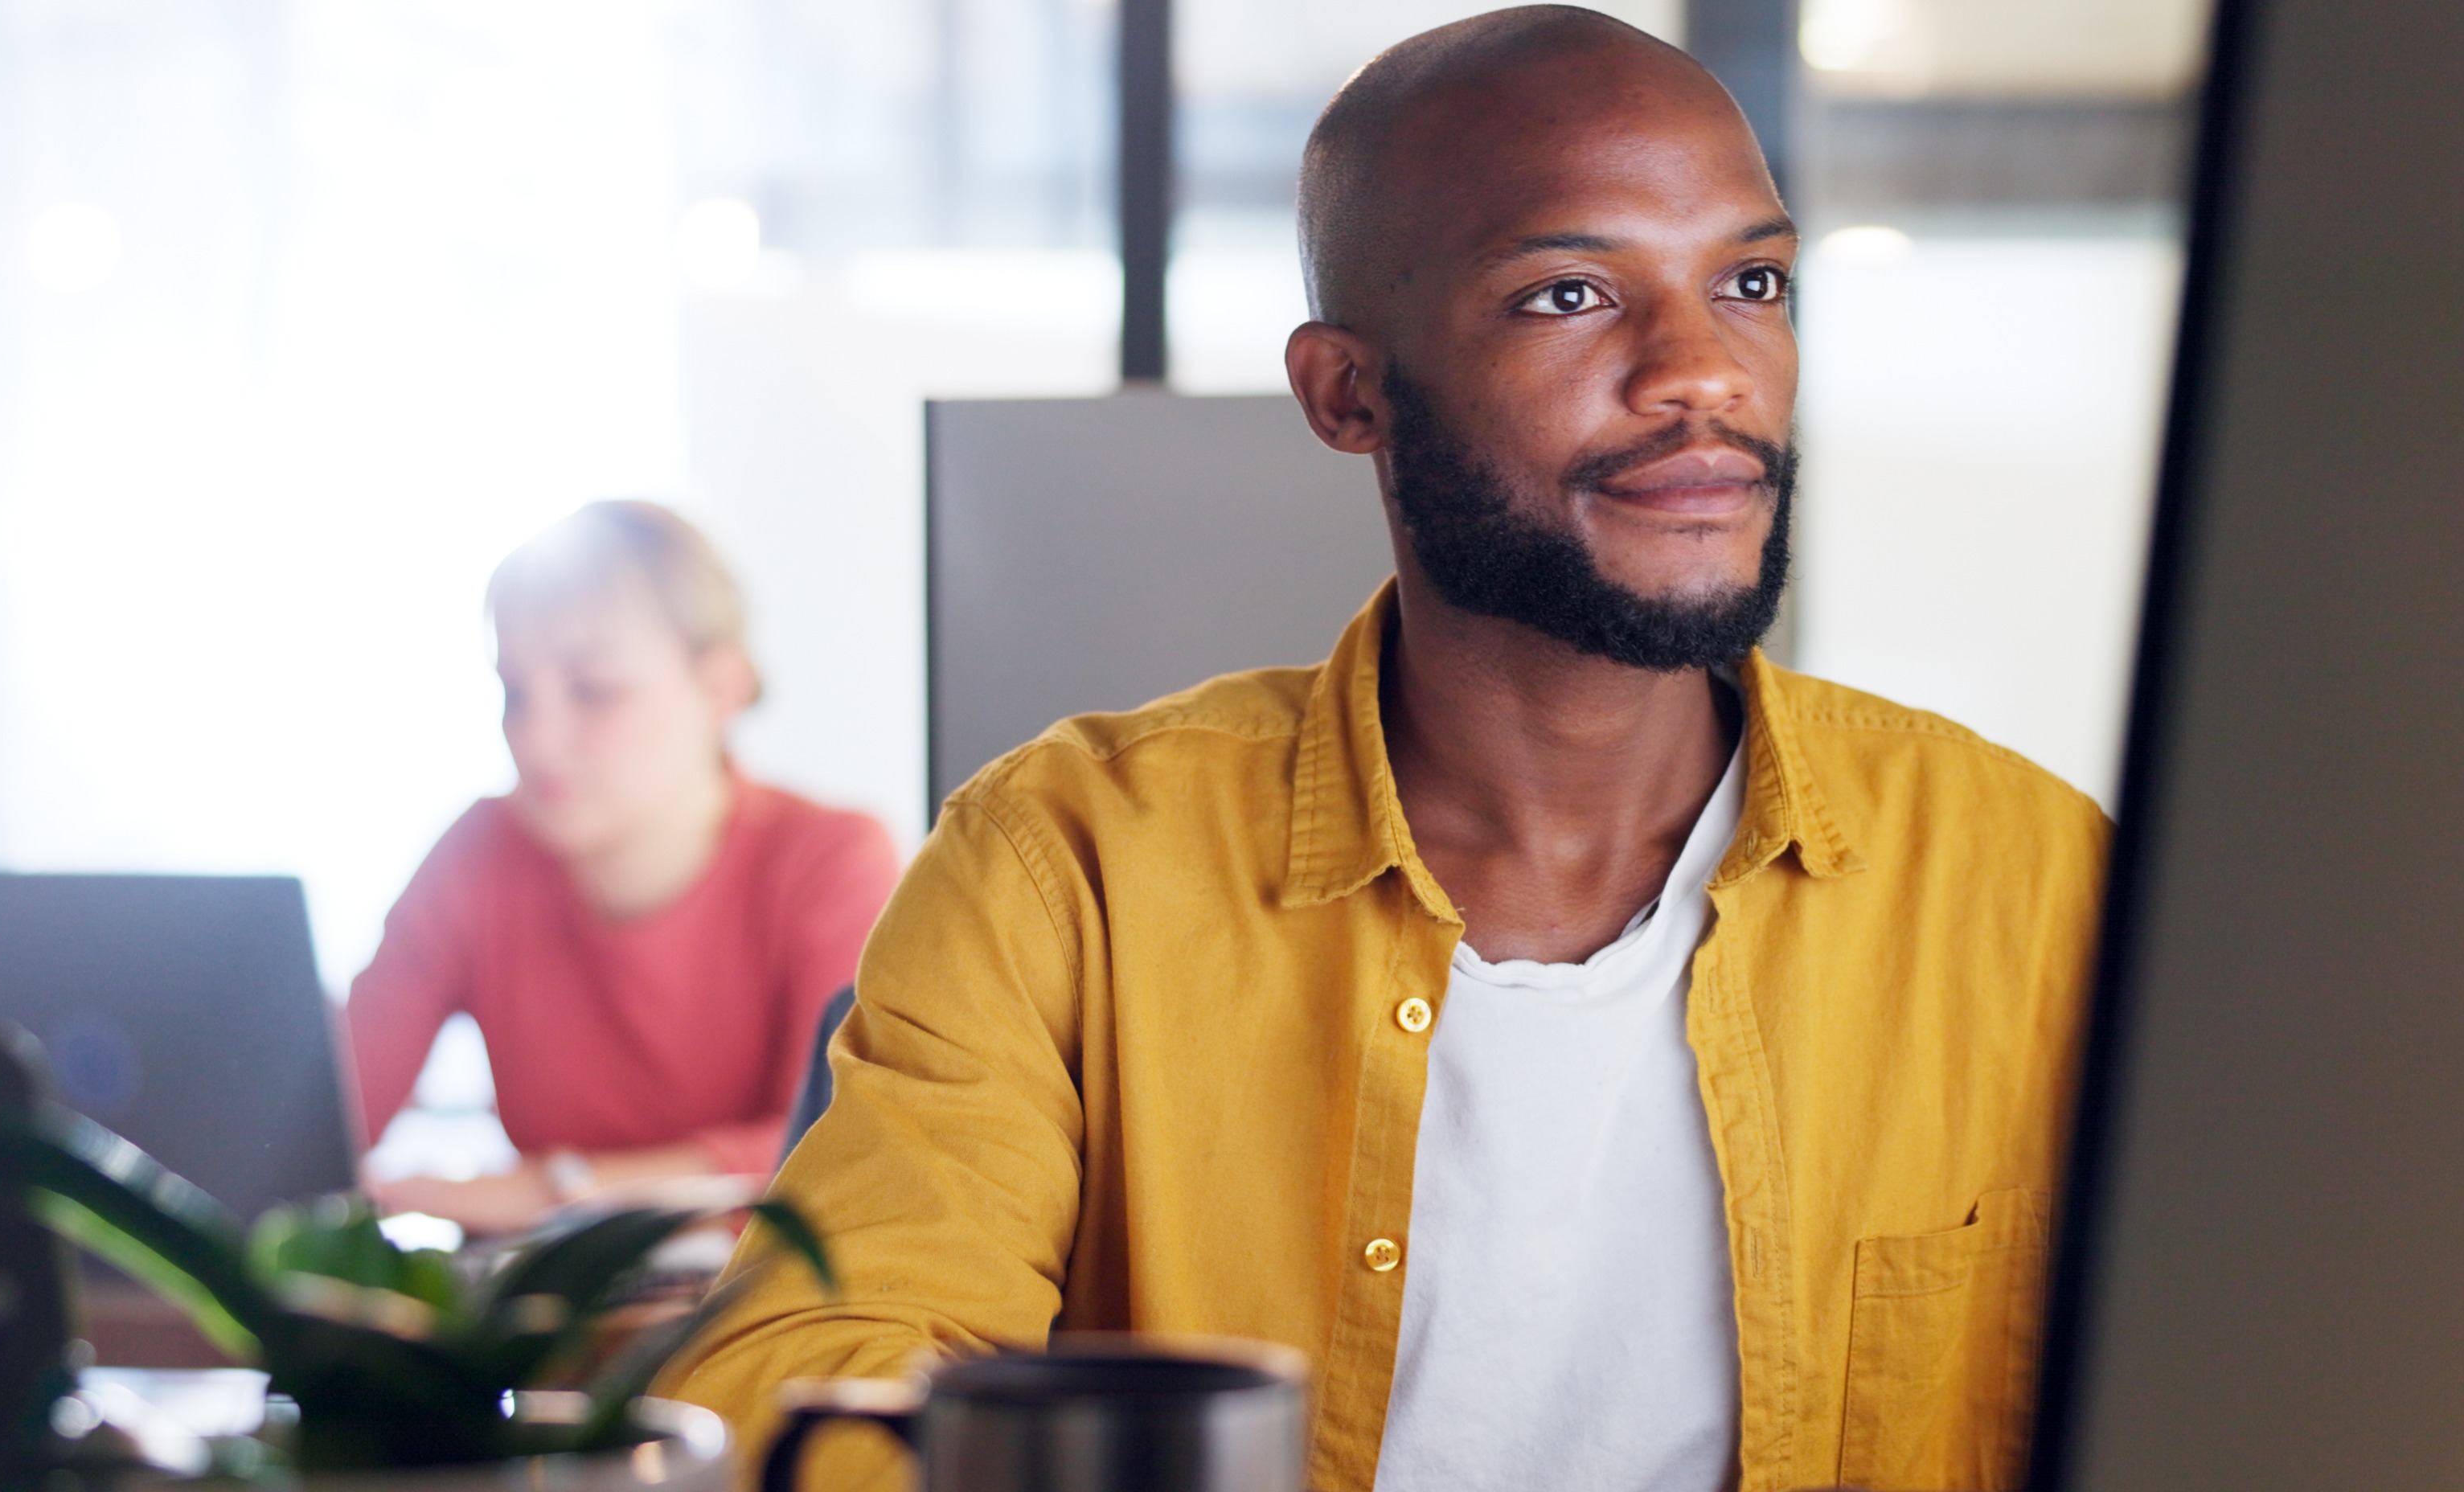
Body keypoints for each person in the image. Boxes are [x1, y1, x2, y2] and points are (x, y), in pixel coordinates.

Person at [670, 10, 2107, 1490]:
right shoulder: (1067, 867)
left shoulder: (2035, 878)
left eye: (1751, 282)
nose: (1704, 373)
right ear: (1346, 393)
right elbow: (811, 1386)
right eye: (1569, 293)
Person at [346, 500, 900, 1236]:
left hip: (769, 1327)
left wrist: (560, 1192)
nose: (536, 741)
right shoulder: (479, 851)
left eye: (594, 690)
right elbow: (318, 1119)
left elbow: (837, 1152)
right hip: (550, 1327)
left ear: (720, 690)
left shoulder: (829, 861)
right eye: (514, 691)